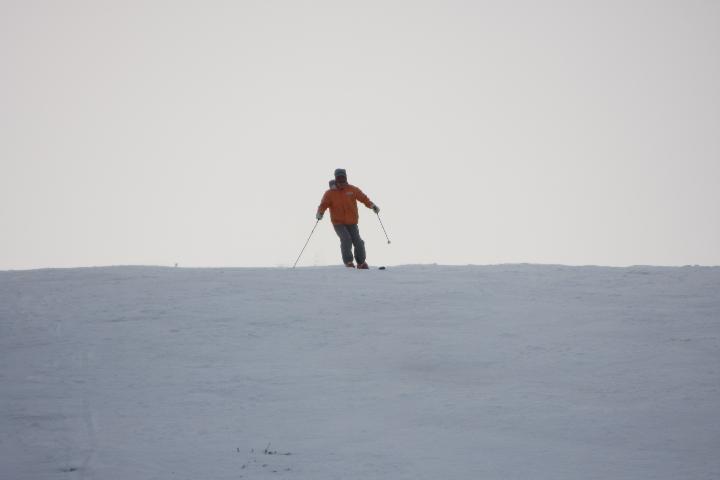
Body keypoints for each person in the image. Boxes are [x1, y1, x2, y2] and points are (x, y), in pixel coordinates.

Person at [316, 168, 380, 269]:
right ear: (336, 179)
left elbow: (363, 198)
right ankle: (348, 262)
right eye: (339, 178)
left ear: (346, 178)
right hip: (338, 223)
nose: (341, 181)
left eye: (343, 178)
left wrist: (372, 206)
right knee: (346, 239)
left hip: (352, 222)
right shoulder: (330, 193)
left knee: (358, 241)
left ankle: (361, 262)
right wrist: (320, 213)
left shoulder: (352, 190)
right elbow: (323, 204)